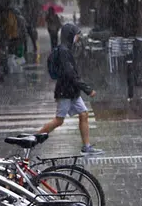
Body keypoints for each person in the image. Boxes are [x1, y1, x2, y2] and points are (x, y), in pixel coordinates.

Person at [37, 23, 103, 155]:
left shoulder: (67, 49)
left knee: (83, 114)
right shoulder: (64, 51)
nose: (78, 38)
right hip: (66, 90)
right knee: (59, 120)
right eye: (77, 36)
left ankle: (86, 146)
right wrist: (87, 89)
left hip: (71, 90)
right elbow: (71, 74)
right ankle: (34, 138)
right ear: (70, 36)